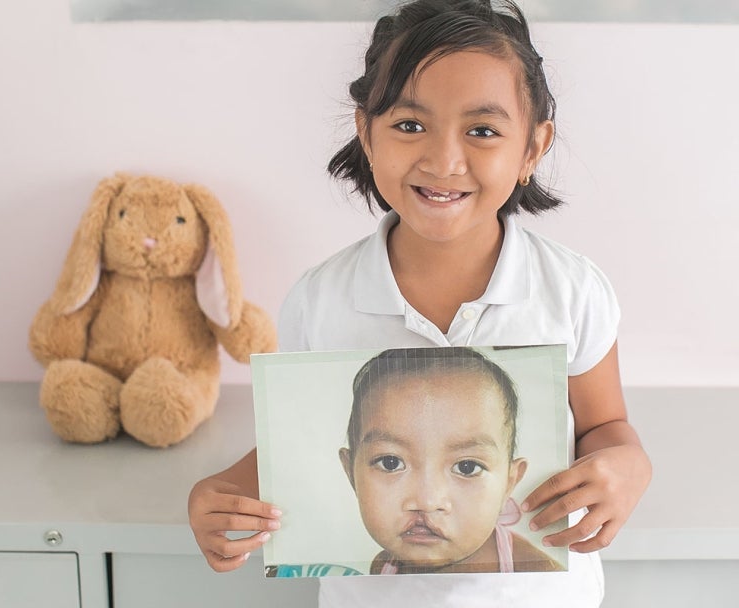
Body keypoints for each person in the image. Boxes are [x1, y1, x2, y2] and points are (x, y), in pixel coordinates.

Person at [188, 0, 652, 605]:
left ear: (533, 148)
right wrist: (221, 493)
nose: (444, 161)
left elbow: (605, 426)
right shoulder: (321, 299)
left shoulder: (572, 291)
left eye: (482, 131)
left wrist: (630, 468)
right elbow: (295, 445)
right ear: (366, 132)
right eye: (410, 125)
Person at [340, 346, 564, 575]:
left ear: (509, 482)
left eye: (467, 467)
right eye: (390, 463)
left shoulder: (539, 571)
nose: (427, 501)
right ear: (350, 473)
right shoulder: (383, 566)